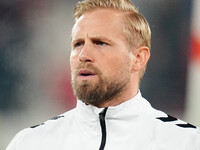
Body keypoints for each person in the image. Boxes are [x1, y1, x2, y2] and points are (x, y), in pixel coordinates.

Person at [6, 0, 200, 149]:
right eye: (78, 44)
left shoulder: (185, 143)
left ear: (138, 58)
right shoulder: (30, 143)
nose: (83, 55)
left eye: (100, 43)